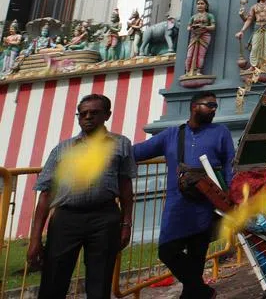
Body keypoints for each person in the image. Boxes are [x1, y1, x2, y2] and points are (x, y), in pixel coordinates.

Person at [29, 94, 134, 299]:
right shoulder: (63, 149)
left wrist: (126, 223)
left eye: (94, 113)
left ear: (107, 115)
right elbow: (46, 193)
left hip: (104, 218)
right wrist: (34, 239)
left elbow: (125, 186)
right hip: (66, 219)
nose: (87, 117)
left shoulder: (120, 144)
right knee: (53, 279)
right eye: (83, 114)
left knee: (100, 281)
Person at [133, 92, 235, 299]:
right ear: (194, 106)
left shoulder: (220, 132)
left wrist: (230, 196)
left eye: (216, 105)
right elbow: (138, 152)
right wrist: (111, 147)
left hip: (207, 204)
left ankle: (194, 292)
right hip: (177, 205)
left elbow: (229, 165)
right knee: (167, 251)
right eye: (210, 105)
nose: (214, 109)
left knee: (197, 257)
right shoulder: (172, 134)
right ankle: (202, 290)